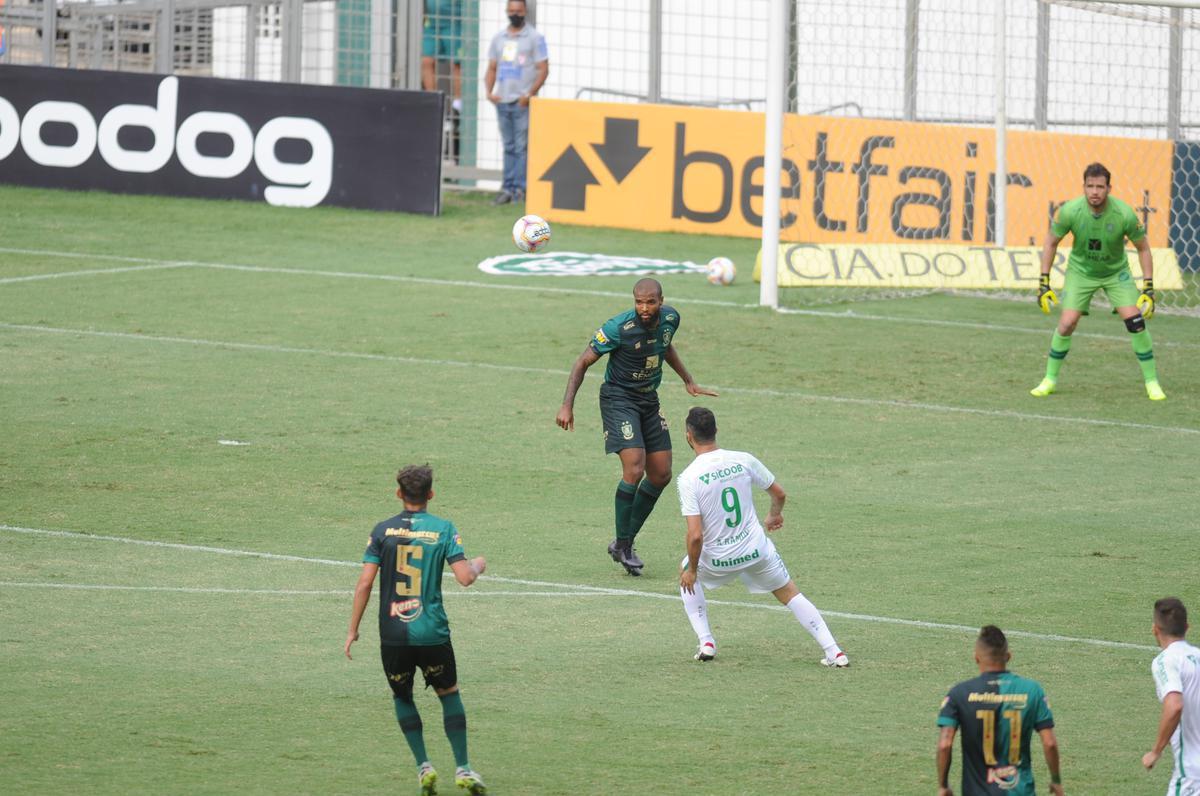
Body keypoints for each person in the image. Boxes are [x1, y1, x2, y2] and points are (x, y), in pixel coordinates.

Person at [556, 278, 716, 576]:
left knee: (661, 473)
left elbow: (665, 348)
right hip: (618, 399)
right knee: (634, 468)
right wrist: (567, 405)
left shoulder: (670, 318)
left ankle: (623, 543)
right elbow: (582, 362)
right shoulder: (618, 328)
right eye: (639, 302)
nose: (644, 308)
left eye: (650, 302)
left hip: (648, 399)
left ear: (660, 300)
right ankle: (625, 544)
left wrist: (687, 379)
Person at [345, 464, 489, 795]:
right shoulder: (443, 528)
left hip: (393, 635)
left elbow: (365, 583)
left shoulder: (382, 531)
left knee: (402, 694)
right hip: (432, 633)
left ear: (399, 493)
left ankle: (423, 765)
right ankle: (463, 768)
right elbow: (465, 577)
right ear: (431, 494)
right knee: (448, 693)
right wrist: (478, 564)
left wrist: (352, 630)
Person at [675, 406, 849, 667]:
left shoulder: (688, 478)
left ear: (688, 436)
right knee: (790, 593)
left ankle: (706, 641)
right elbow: (779, 494)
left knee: (685, 571)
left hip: (719, 559)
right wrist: (773, 516)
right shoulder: (743, 459)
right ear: (716, 431)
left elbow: (696, 535)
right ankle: (834, 652)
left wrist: (692, 569)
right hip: (755, 551)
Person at [1031, 161, 1164, 401]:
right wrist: (1043, 282)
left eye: (1100, 187)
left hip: (1116, 273)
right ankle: (1049, 380)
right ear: (1083, 187)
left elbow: (1143, 248)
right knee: (1067, 323)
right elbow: (1051, 242)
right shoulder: (1070, 211)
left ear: (1109, 188)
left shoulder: (1123, 213)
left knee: (1135, 321)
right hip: (1081, 272)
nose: (1094, 191)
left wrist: (1149, 288)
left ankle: (1152, 382)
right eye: (1090, 186)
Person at [936, 626, 1063, 796]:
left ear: (976, 658)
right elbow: (1050, 743)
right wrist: (1056, 780)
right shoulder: (1032, 690)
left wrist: (943, 785)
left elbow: (945, 744)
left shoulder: (960, 693)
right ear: (1008, 656)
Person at [484, 0, 548, 205]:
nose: (515, 14)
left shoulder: (535, 38)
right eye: (511, 11)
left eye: (518, 11)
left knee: (521, 147)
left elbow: (543, 69)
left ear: (525, 12)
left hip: (522, 102)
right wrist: (489, 92)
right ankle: (507, 188)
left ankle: (520, 189)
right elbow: (492, 67)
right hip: (503, 101)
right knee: (509, 146)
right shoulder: (499, 38)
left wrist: (529, 94)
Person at [1142, 597, 1200, 795]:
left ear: (1155, 630)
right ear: (1187, 627)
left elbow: (1174, 705)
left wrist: (1156, 751)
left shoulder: (1166, 660)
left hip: (1193, 773)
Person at [421, 0, 463, 163]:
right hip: (433, 20)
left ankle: (457, 106)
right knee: (426, 61)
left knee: (457, 63)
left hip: (453, 19)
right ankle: (433, 100)